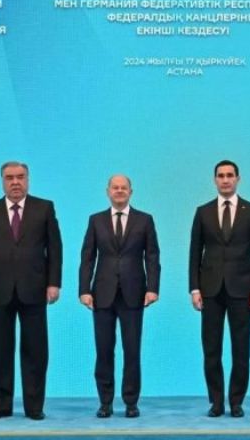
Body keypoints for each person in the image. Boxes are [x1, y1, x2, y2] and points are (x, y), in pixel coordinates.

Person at [0, 161, 63, 421]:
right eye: (10, 177)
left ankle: (34, 407)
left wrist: (53, 283)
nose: (15, 182)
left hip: (34, 289)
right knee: (0, 350)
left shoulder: (44, 208)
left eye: (20, 177)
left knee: (35, 350)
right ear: (2, 181)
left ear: (28, 180)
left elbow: (54, 249)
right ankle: (0, 406)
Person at [79, 175, 161, 418]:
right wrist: (84, 289)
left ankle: (131, 402)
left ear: (131, 192)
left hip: (134, 294)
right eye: (115, 188)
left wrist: (153, 288)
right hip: (101, 295)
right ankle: (105, 402)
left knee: (132, 350)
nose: (119, 191)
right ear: (107, 191)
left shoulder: (144, 220)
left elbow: (152, 256)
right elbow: (87, 258)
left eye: (123, 188)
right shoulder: (96, 220)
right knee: (104, 350)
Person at [189, 160, 250, 418]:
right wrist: (194, 288)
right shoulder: (203, 212)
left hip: (242, 290)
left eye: (230, 175)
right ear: (214, 180)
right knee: (211, 349)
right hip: (210, 289)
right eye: (221, 176)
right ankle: (216, 401)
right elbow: (194, 253)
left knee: (241, 348)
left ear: (238, 179)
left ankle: (236, 401)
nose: (225, 180)